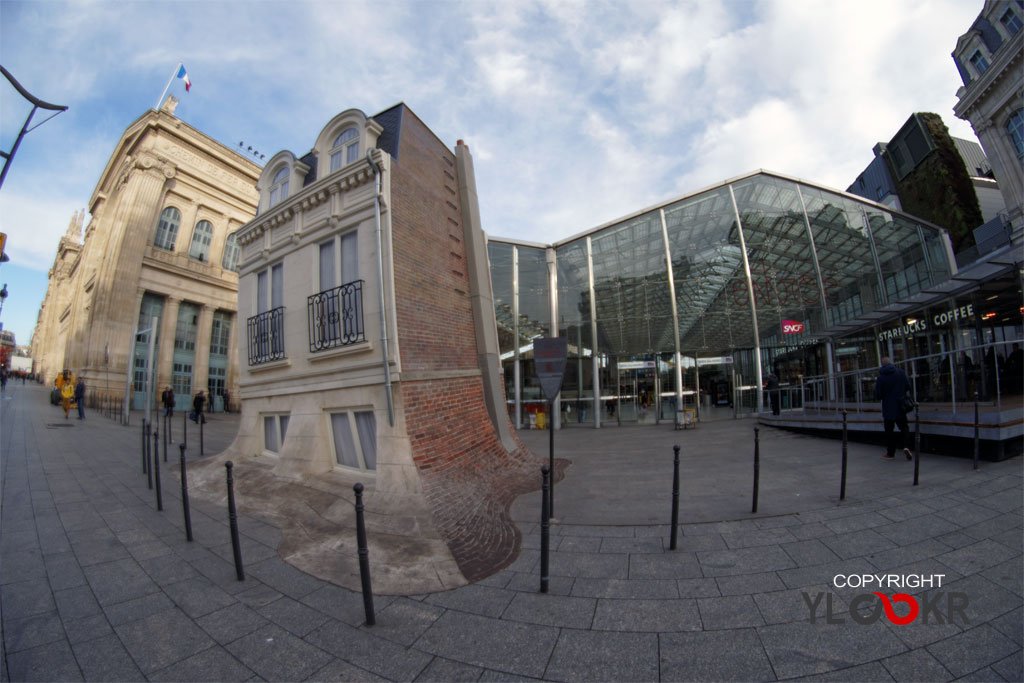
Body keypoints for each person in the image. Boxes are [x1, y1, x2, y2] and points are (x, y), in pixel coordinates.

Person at [873, 357, 912, 461]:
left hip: (888, 407)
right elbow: (908, 386)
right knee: (904, 427)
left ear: (882, 365)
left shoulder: (881, 378)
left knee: (889, 431)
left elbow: (878, 395)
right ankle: (906, 446)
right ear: (891, 363)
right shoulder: (900, 373)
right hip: (900, 406)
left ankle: (891, 453)